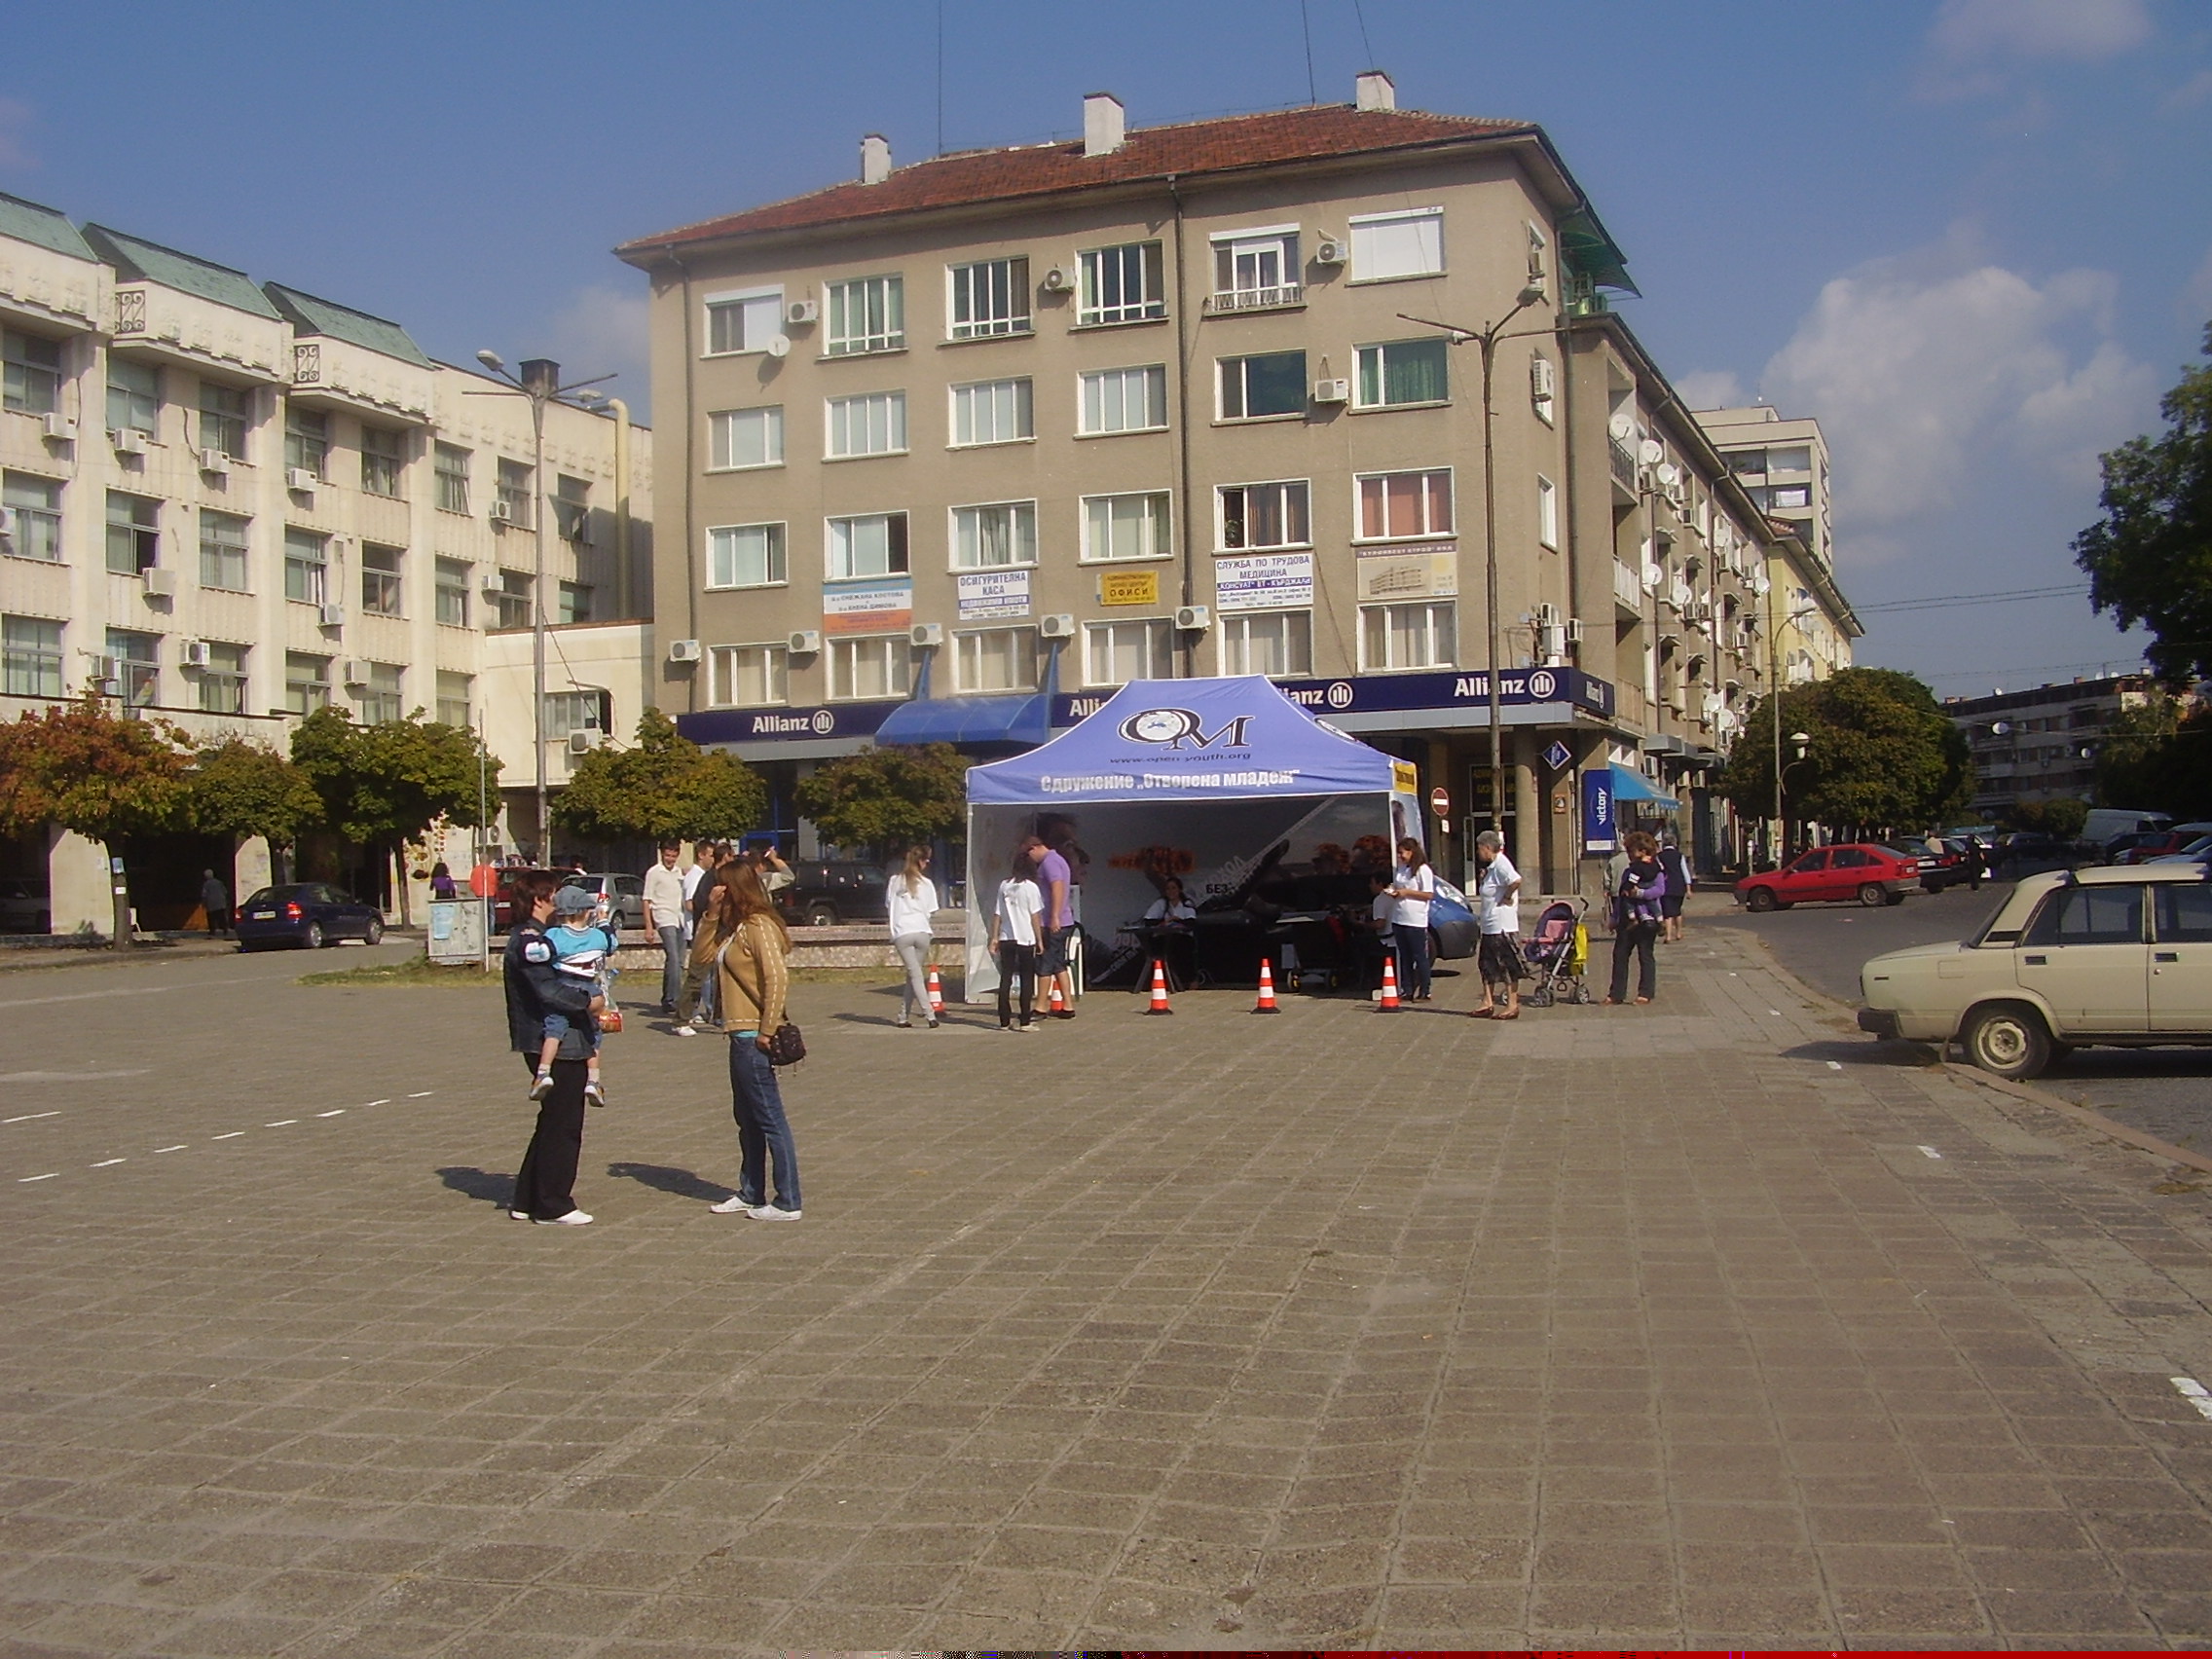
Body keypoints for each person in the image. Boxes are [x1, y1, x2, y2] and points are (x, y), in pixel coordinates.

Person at [703, 863, 801, 1221]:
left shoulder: (759, 926)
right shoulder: (736, 928)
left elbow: (777, 977)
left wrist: (767, 1029)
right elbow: (700, 959)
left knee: (770, 1117)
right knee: (747, 1118)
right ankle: (751, 1191)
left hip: (753, 1035)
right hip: (737, 1034)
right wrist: (711, 914)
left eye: (721, 887)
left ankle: (788, 1200)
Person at [502, 872, 603, 1226]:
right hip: (552, 1039)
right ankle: (553, 1203)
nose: (560, 900)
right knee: (564, 1123)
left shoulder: (545, 936)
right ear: (539, 899)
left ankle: (528, 1197)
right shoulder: (530, 941)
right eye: (555, 894)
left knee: (552, 1120)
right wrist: (588, 1002)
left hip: (558, 1037)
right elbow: (547, 989)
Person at [533, 886, 617, 1107]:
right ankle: (593, 1080)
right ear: (586, 912)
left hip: (563, 987)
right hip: (591, 989)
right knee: (593, 1034)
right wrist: (604, 921)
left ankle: (543, 1073)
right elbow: (612, 944)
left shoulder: (554, 935)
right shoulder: (598, 936)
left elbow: (538, 954)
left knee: (554, 1030)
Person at [1605, 830, 1667, 1006]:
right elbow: (1622, 895)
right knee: (1620, 954)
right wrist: (1614, 917)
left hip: (1647, 917)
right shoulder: (1629, 871)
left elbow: (1659, 890)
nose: (1629, 855)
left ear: (1643, 851)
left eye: (1631, 851)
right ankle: (1616, 994)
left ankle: (1645, 993)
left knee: (1645, 954)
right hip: (1627, 918)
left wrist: (1640, 893)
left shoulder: (1655, 870)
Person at [1470, 830, 1524, 1019]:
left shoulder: (1501, 863)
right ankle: (1487, 1002)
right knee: (1486, 964)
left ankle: (1512, 1005)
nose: (1478, 852)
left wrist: (1507, 896)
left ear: (1487, 847)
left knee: (1506, 965)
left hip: (1502, 925)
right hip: (1489, 925)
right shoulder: (1492, 867)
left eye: (1479, 848)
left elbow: (1515, 880)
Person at [992, 844, 1045, 1031]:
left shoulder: (1004, 885)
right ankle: (1024, 1020)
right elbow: (1035, 916)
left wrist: (994, 937)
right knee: (1026, 978)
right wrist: (1039, 939)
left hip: (1006, 936)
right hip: (1026, 937)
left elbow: (997, 913)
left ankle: (1004, 1020)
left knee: (1005, 977)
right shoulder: (1030, 888)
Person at [889, 845, 940, 1029]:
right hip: (922, 931)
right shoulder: (927, 884)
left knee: (914, 974)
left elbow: (889, 904)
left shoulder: (894, 881)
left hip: (902, 932)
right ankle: (908, 1015)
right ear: (921, 862)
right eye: (926, 861)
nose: (927, 864)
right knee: (915, 975)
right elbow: (932, 910)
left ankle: (925, 1015)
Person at [1033, 832, 1076, 1018]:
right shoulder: (1058, 859)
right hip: (1064, 920)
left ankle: (1040, 1007)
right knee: (1059, 964)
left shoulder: (1049, 862)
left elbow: (1057, 886)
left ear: (1034, 848)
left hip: (1054, 922)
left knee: (1045, 964)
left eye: (1028, 854)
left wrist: (1054, 917)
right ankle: (1068, 1006)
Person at [1387, 838, 1437, 1001]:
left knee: (1419, 956)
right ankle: (1407, 989)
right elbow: (1399, 887)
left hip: (1415, 919)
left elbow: (1428, 894)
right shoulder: (1402, 869)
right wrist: (1394, 891)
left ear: (1411, 852)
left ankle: (1425, 989)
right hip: (1399, 917)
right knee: (1405, 956)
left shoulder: (1423, 870)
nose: (1400, 856)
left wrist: (1407, 892)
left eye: (1402, 853)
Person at [644, 840, 687, 1014]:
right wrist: (649, 927)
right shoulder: (654, 872)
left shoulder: (679, 873)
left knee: (678, 962)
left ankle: (668, 997)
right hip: (663, 917)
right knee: (673, 957)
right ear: (662, 854)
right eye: (667, 855)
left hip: (679, 918)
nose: (670, 859)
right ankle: (673, 1000)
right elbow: (646, 900)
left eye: (673, 856)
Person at [1657, 836, 1690, 944]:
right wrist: (1688, 888)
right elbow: (1685, 872)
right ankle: (1679, 933)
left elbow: (1658, 870)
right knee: (1677, 910)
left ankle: (1668, 936)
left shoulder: (1659, 856)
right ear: (1674, 843)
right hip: (1679, 885)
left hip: (1665, 885)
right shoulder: (1679, 855)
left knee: (1667, 912)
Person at [200, 868, 230, 939]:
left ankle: (212, 931)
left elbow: (204, 894)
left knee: (211, 918)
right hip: (221, 902)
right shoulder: (219, 882)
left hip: (211, 904)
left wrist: (204, 903)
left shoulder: (206, 884)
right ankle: (225, 929)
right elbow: (225, 892)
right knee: (222, 917)